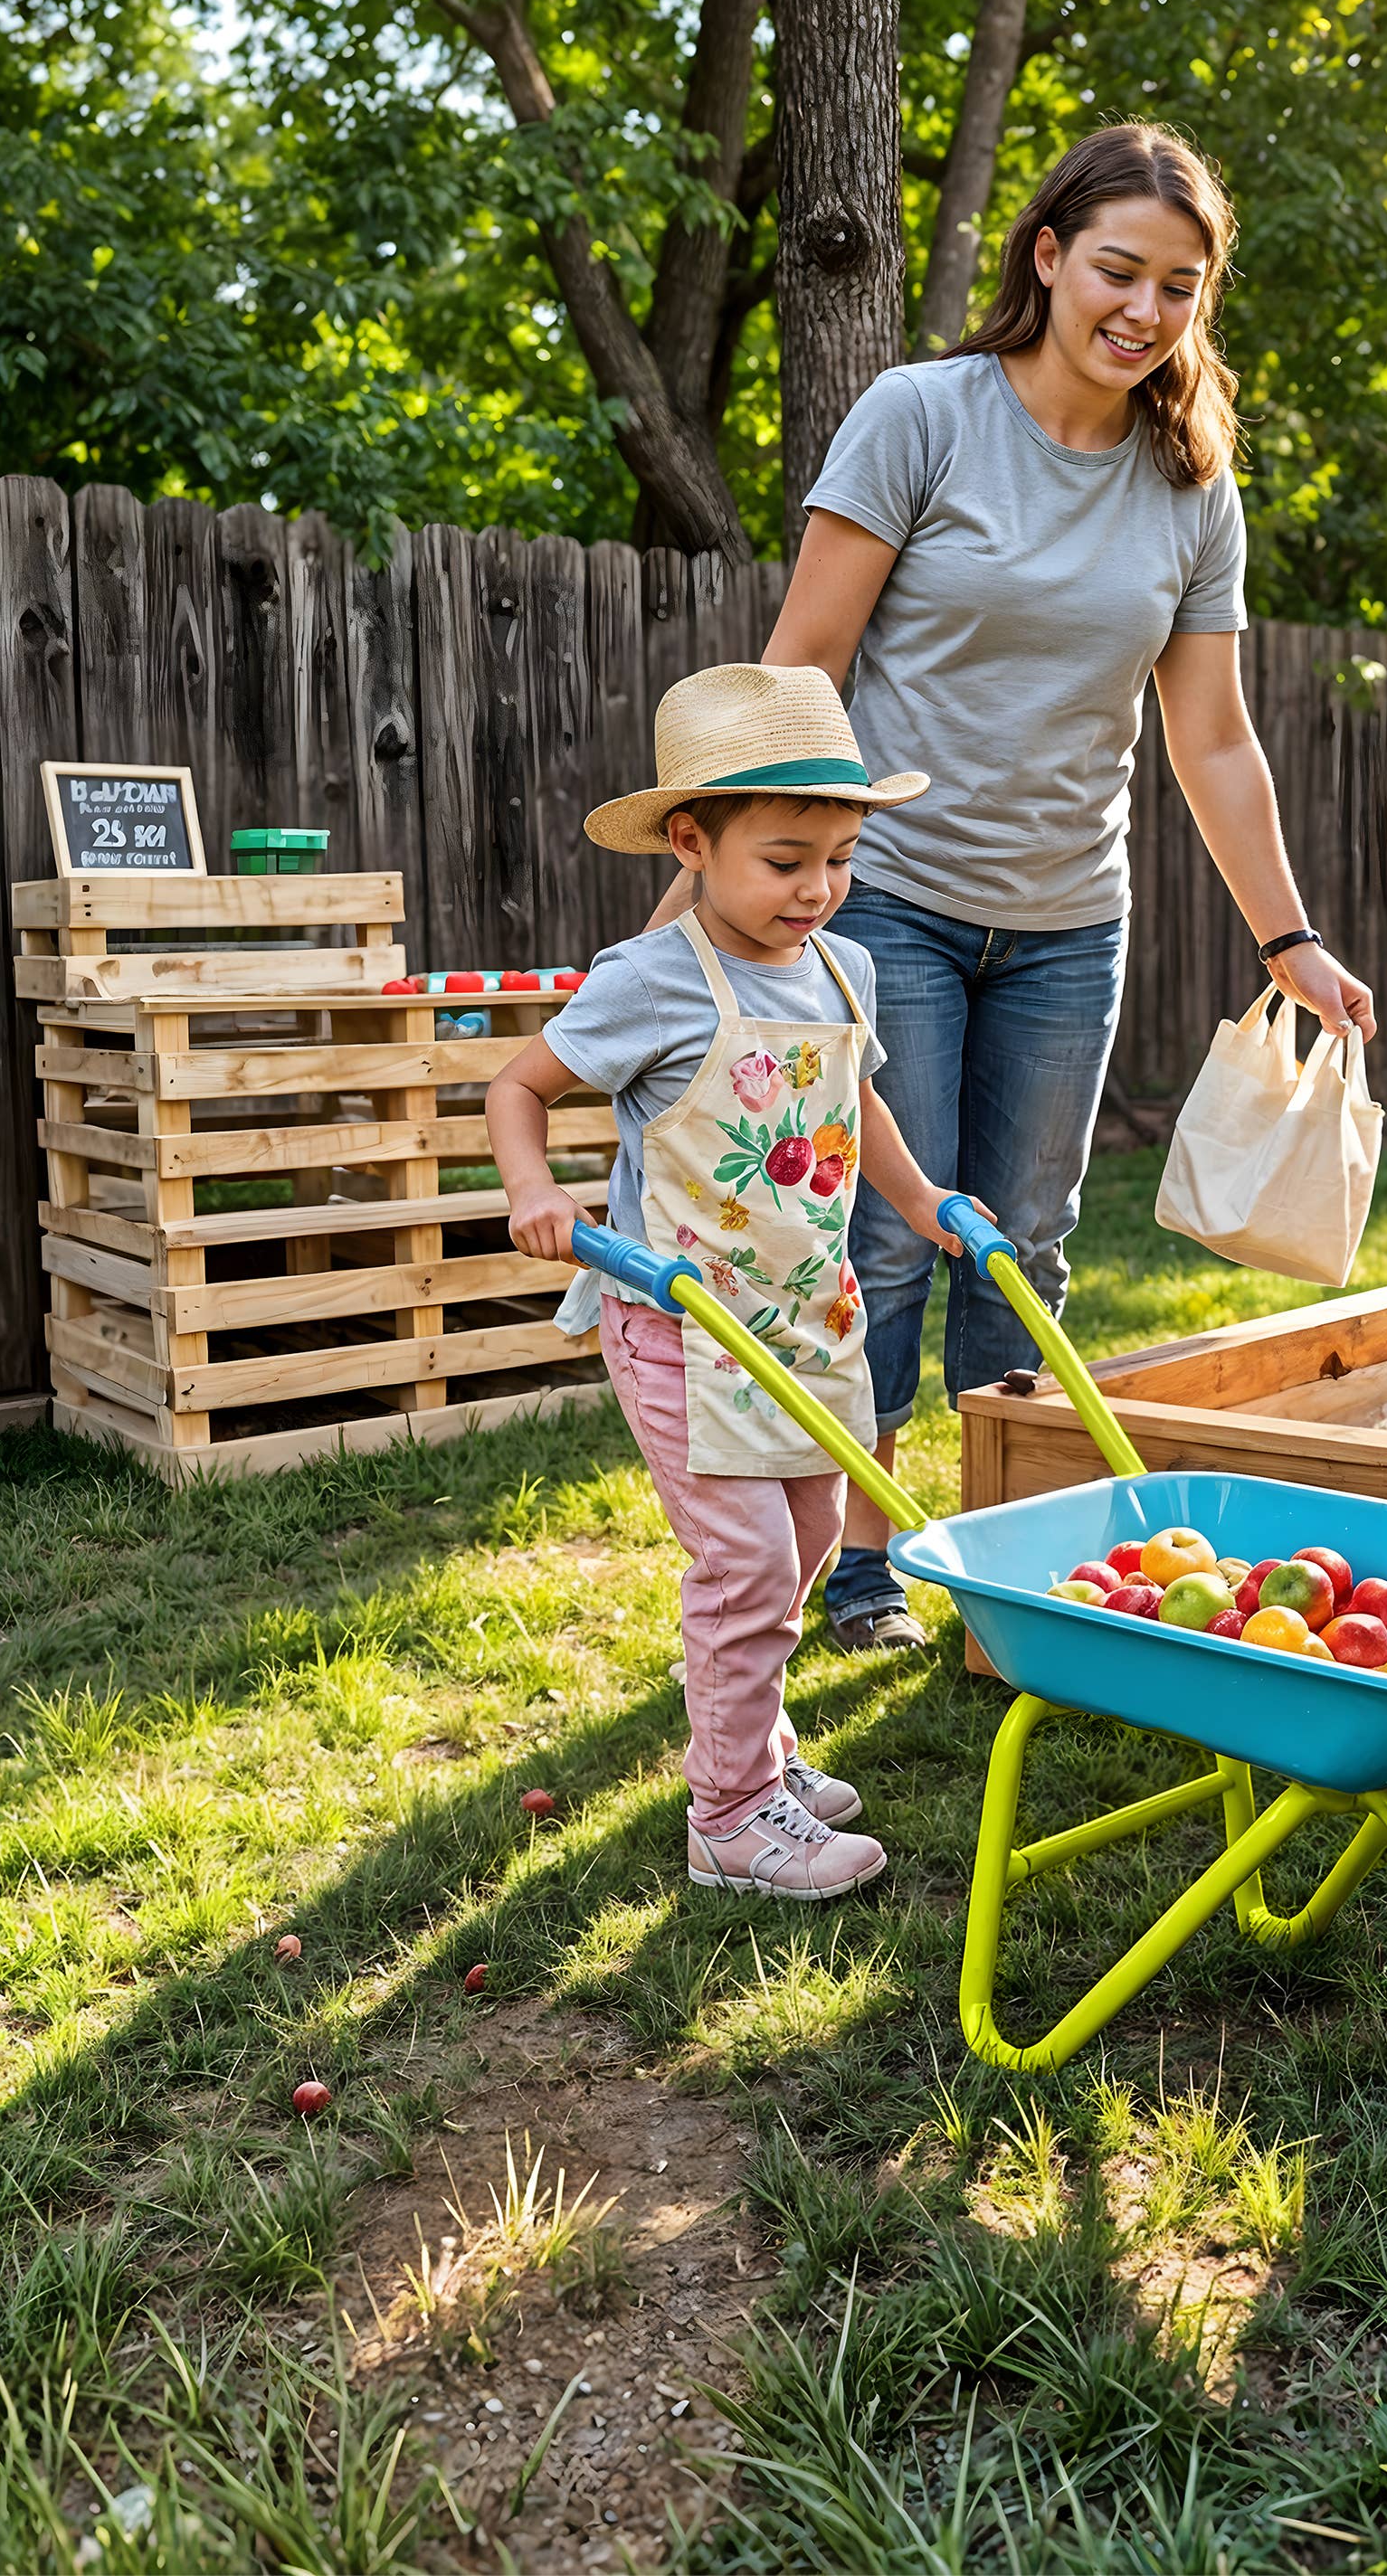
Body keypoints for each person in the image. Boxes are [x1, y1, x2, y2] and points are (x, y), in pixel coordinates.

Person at [645, 119, 1375, 1653]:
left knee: (1024, 1240)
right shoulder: (925, 419)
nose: (1146, 311)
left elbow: (1215, 736)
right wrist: (715, 898)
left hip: (1067, 922)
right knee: (888, 1237)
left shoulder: (1192, 487)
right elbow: (801, 670)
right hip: (887, 894)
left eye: (1182, 287)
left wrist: (1288, 935)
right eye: (1120, 270)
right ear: (1047, 258)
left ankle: (995, 1566)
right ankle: (858, 1568)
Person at [489, 663, 976, 1900]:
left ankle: (755, 1747)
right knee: (747, 1564)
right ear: (693, 844)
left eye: (839, 858)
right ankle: (731, 1816)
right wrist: (535, 1193)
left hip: (809, 1315)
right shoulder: (647, 977)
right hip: (685, 1327)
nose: (816, 888)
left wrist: (920, 1202)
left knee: (807, 1542)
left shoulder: (841, 971)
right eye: (785, 860)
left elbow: (853, 1100)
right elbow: (517, 1087)